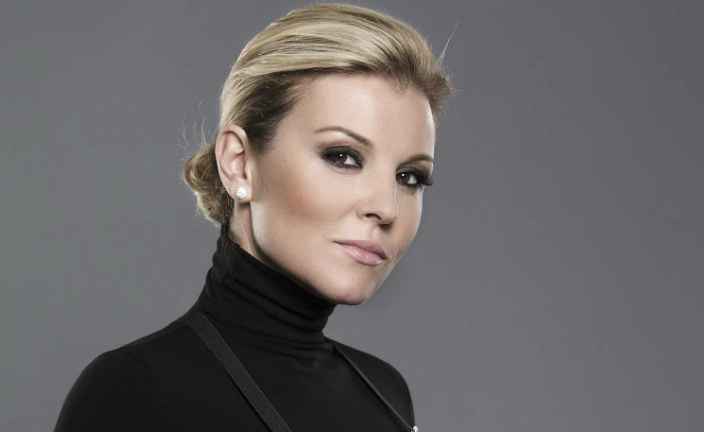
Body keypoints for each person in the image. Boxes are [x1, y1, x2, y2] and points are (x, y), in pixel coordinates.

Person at [53, 3, 454, 431]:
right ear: (239, 164)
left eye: (409, 177)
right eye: (342, 157)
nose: (387, 207)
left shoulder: (384, 392)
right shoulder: (136, 390)